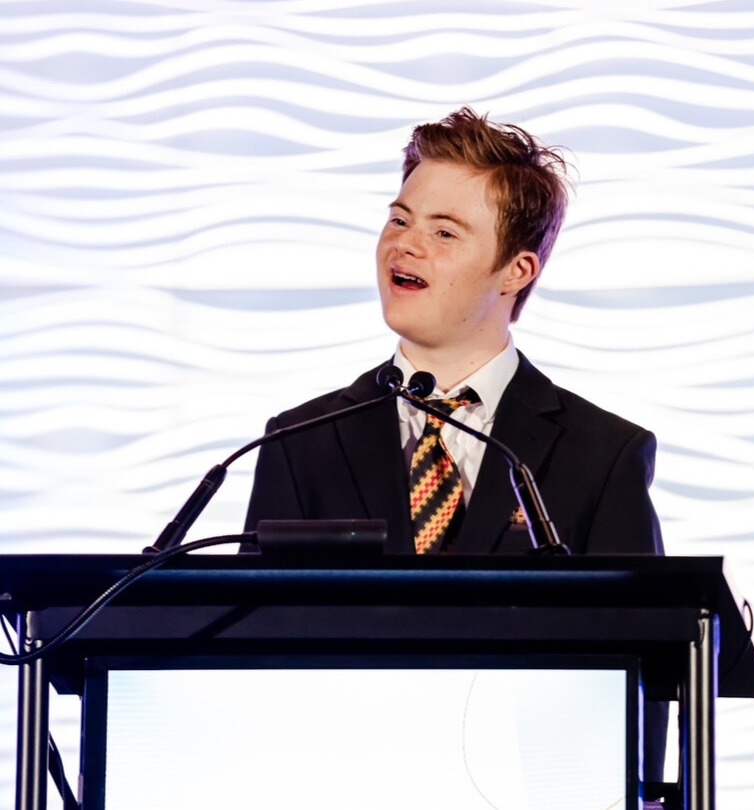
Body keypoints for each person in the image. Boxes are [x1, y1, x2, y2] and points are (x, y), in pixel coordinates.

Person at [244, 107, 667, 782]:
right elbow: (252, 666)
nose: (405, 246)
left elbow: (642, 690)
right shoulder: (304, 442)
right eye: (399, 219)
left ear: (515, 271)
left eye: (444, 232)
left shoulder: (601, 454)